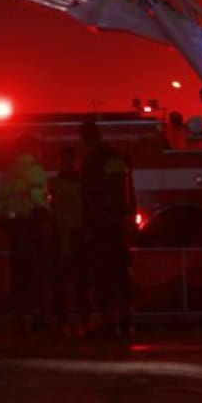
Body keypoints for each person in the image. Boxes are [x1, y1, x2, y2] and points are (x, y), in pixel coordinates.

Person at [80, 119, 137, 337]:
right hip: (120, 223)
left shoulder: (92, 161)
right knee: (121, 273)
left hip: (101, 224)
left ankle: (107, 321)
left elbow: (88, 194)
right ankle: (126, 319)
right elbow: (129, 189)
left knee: (103, 273)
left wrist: (87, 224)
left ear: (85, 139)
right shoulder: (117, 158)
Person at [0, 135, 49, 330]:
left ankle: (18, 313)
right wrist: (46, 218)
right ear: (32, 148)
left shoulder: (9, 172)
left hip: (14, 228)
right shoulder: (35, 170)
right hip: (32, 225)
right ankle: (37, 313)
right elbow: (38, 197)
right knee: (35, 271)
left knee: (19, 271)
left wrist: (2, 222)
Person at [49, 145, 91, 333]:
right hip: (73, 236)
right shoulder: (82, 184)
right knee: (75, 282)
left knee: (65, 282)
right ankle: (81, 318)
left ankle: (65, 319)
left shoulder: (54, 185)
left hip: (66, 236)